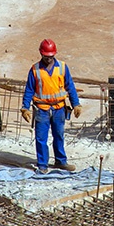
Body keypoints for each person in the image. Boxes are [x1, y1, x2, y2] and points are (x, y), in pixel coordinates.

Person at [21, 39, 81, 174]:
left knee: (59, 135)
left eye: (51, 56)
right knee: (41, 137)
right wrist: (25, 107)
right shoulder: (35, 69)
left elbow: (70, 86)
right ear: (41, 54)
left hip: (59, 108)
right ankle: (42, 165)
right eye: (46, 56)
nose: (48, 59)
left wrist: (75, 104)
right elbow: (29, 89)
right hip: (42, 109)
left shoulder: (63, 67)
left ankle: (61, 161)